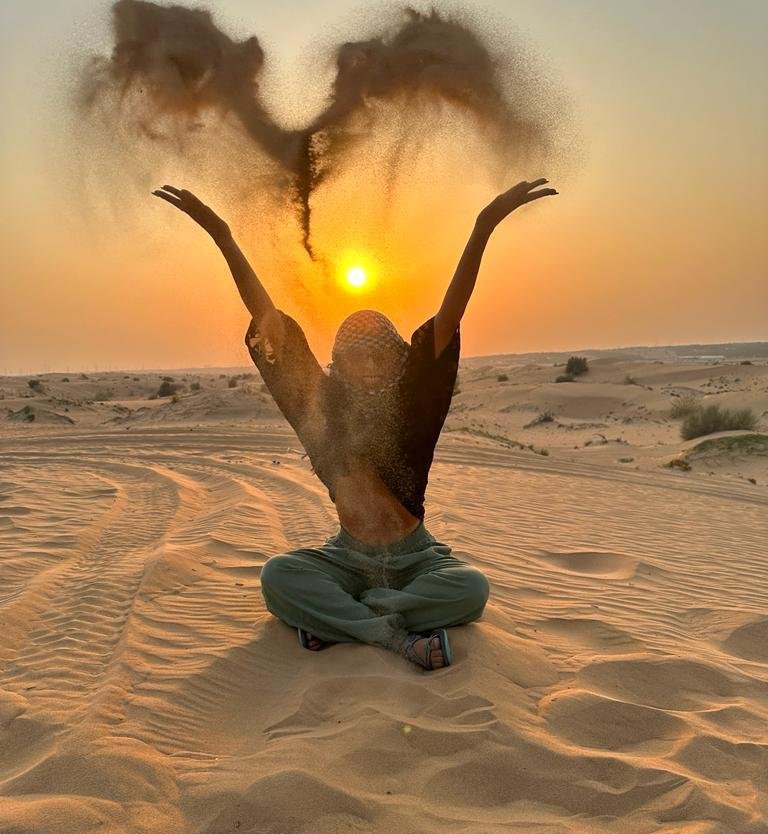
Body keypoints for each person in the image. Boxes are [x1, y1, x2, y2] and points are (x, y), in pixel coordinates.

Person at [153, 178, 558, 669]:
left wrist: (482, 226)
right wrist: (223, 236)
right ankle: (393, 636)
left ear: (399, 360)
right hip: (346, 558)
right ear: (338, 365)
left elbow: (449, 318)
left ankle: (340, 621)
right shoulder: (320, 411)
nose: (370, 369)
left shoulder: (414, 408)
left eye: (381, 358)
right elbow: (268, 319)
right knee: (278, 577)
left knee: (471, 589)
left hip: (417, 558)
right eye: (357, 359)